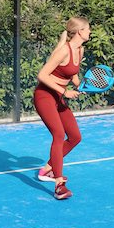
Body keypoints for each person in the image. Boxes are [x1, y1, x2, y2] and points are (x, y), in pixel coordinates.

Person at [33, 17, 91, 200]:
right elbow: (42, 74)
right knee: (58, 134)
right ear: (80, 31)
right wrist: (64, 91)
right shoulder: (63, 51)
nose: (90, 32)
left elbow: (72, 74)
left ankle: (48, 168)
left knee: (75, 137)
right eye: (88, 29)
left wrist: (80, 84)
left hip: (58, 97)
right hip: (44, 95)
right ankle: (59, 184)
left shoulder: (80, 50)